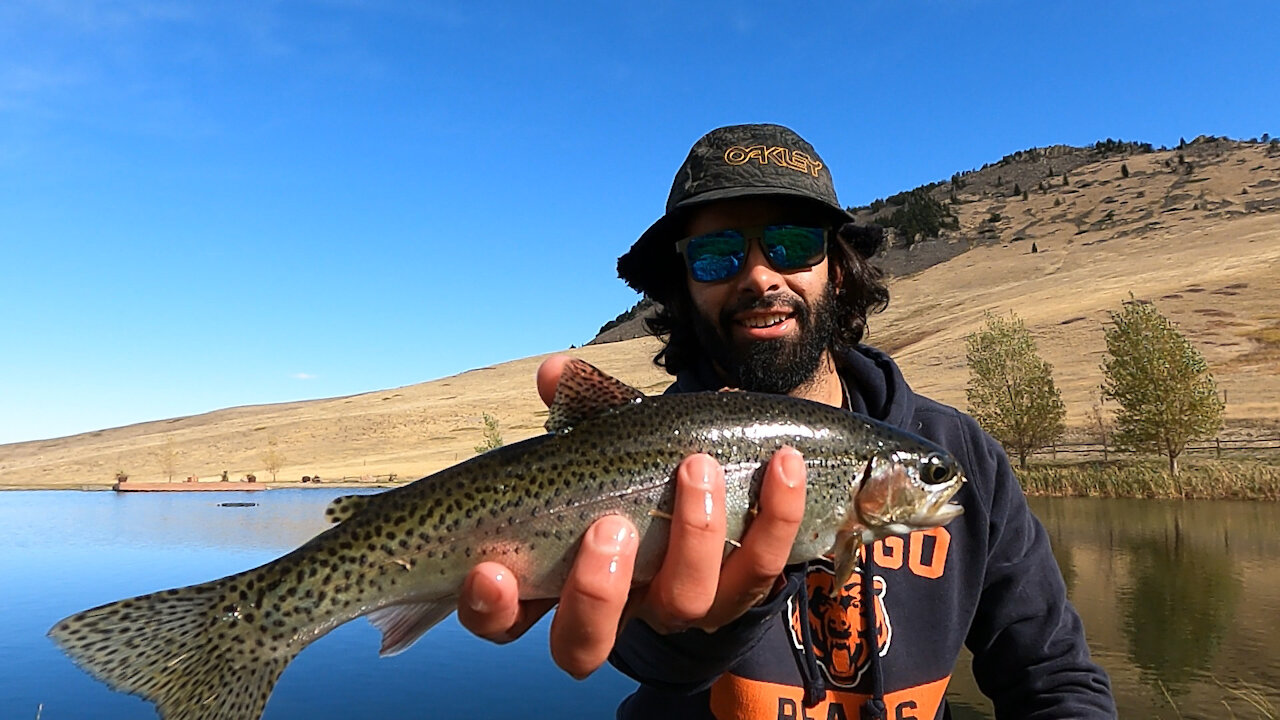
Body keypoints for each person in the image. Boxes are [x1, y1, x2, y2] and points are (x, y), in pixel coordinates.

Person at [458, 124, 1116, 719]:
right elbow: (655, 665)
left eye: (792, 244)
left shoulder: (959, 449)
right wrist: (687, 636)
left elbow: (1052, 676)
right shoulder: (650, 448)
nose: (759, 276)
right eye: (717, 256)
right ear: (683, 285)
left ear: (837, 267)